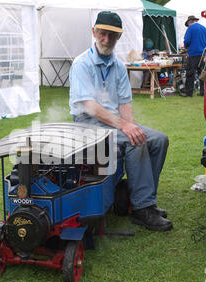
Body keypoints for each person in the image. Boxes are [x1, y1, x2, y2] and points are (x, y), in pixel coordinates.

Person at [69, 11, 173, 232]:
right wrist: (126, 128)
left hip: (112, 122)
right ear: (94, 32)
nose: (106, 40)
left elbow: (125, 103)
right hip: (87, 123)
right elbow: (89, 106)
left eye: (112, 36)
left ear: (119, 36)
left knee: (159, 140)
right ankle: (141, 208)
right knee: (135, 141)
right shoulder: (82, 63)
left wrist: (131, 125)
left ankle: (143, 199)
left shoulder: (118, 65)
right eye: (103, 34)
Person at [181, 15, 206, 97]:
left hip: (193, 54)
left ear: (190, 22)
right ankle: (203, 92)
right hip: (203, 53)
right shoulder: (204, 28)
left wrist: (186, 47)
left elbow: (187, 40)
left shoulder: (190, 28)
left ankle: (189, 92)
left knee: (190, 73)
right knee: (202, 73)